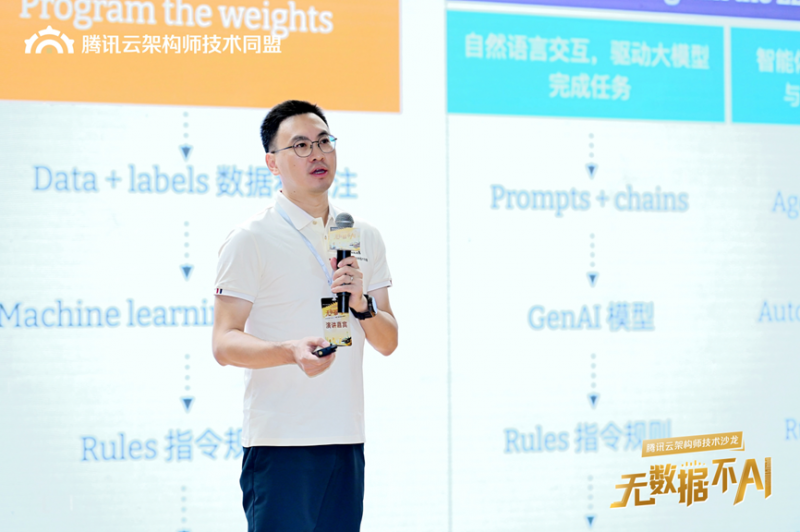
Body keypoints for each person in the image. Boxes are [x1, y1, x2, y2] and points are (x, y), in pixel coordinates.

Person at [211, 99, 398, 532]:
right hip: (281, 445)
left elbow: (388, 341)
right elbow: (223, 343)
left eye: (324, 141)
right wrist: (289, 351)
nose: (317, 154)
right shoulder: (250, 238)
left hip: (346, 440)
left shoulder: (363, 235)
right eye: (300, 145)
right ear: (272, 163)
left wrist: (361, 305)